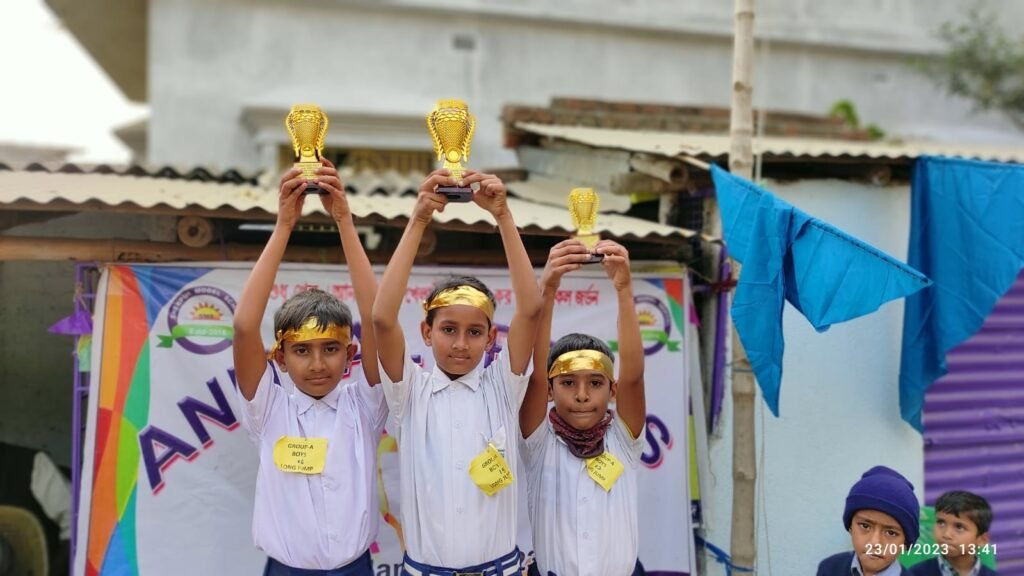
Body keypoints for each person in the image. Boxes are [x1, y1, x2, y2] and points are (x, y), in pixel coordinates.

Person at [372, 168, 541, 576]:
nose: (461, 343)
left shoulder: (502, 387)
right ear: (426, 332)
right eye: (448, 330)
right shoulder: (409, 392)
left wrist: (503, 216)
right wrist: (419, 219)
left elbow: (531, 309)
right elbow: (381, 318)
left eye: (474, 332)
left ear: (492, 337)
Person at [232, 160, 386, 576]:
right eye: (302, 351)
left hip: (355, 569)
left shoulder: (364, 406)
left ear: (351, 353)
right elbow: (244, 326)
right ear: (280, 358)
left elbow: (378, 320)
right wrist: (284, 224)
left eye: (331, 348)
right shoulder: (269, 409)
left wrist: (345, 221)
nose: (318, 364)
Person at [520, 239, 647, 576]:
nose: (581, 395)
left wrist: (624, 288)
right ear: (549, 390)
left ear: (613, 390)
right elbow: (534, 374)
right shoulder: (538, 442)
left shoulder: (623, 440)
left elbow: (634, 376)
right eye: (567, 382)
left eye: (595, 383)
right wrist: (548, 288)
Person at [817, 466, 920, 576]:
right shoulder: (830, 569)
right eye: (865, 526)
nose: (875, 543)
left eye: (891, 533)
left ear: (905, 543)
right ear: (851, 527)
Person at [909, 491, 998, 576]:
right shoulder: (916, 573)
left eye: (959, 527)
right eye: (941, 523)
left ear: (982, 540)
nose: (946, 534)